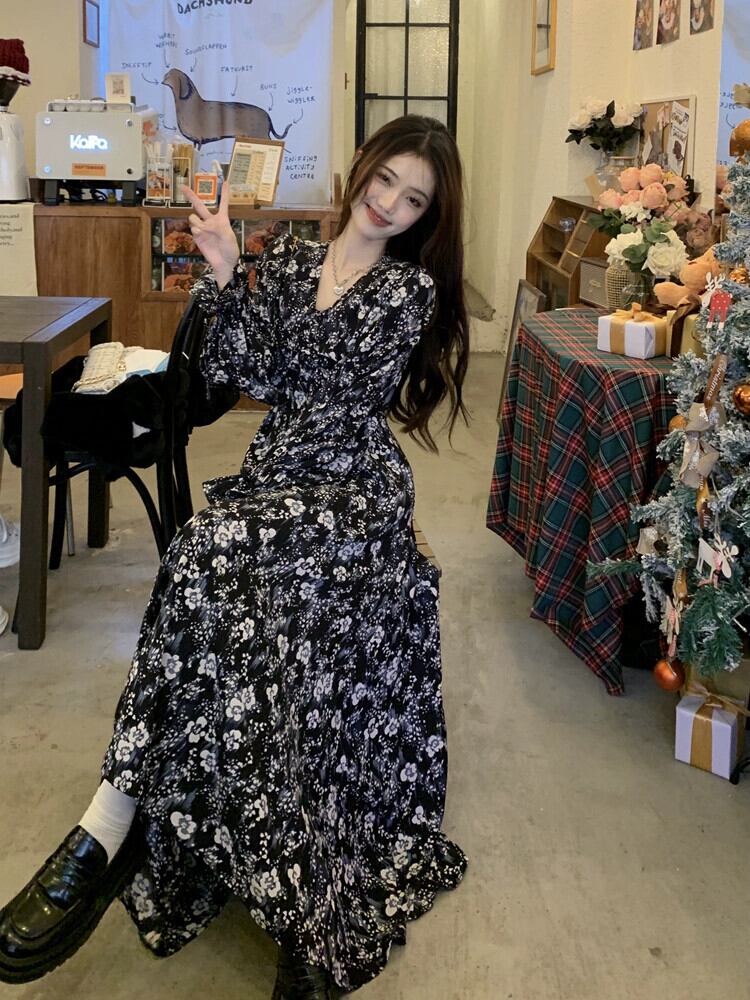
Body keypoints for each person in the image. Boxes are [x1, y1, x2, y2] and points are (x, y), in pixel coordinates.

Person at [0, 114, 469, 998]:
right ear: (363, 166)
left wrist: (245, 290)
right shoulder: (287, 261)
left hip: (353, 486)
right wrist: (223, 271)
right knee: (209, 560)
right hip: (279, 472)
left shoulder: (406, 291)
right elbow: (247, 372)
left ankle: (115, 824)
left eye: (413, 201)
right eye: (385, 181)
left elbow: (319, 385)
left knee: (212, 547)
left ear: (425, 217)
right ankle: (120, 823)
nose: (389, 205)